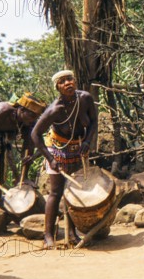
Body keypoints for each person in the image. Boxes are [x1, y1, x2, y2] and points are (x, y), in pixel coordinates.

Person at [31, 70, 98, 249]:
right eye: (62, 82)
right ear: (57, 87)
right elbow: (35, 134)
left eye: (70, 79)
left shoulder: (85, 99)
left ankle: (71, 232)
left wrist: (88, 141)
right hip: (57, 149)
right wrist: (50, 159)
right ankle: (48, 235)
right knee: (56, 191)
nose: (68, 83)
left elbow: (94, 121)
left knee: (73, 190)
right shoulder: (55, 110)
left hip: (78, 146)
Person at [0, 93, 46, 204]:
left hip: (5, 130)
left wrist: (31, 157)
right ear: (21, 109)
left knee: (29, 140)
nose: (33, 120)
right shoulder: (2, 111)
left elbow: (34, 144)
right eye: (31, 116)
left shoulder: (28, 122)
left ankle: (23, 178)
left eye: (36, 116)